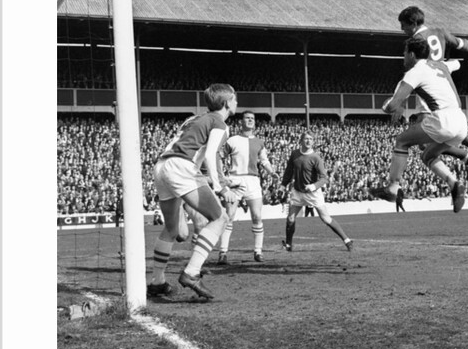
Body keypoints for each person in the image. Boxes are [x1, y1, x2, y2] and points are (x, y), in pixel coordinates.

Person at [147, 84, 239, 301]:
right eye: (235, 99)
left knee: (171, 229)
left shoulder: (193, 119)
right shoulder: (220, 123)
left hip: (162, 166)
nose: (237, 103)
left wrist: (215, 178)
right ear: (226, 103)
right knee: (220, 218)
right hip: (181, 167)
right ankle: (191, 272)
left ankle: (157, 282)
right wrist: (222, 187)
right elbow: (210, 155)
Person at [397, 6, 468, 175]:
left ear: (412, 24)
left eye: (403, 25)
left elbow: (412, 74)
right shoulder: (439, 31)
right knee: (455, 130)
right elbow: (461, 44)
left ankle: (465, 157)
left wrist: (400, 103)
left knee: (423, 141)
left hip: (427, 88)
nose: (402, 29)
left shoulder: (415, 41)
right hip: (444, 80)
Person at [370, 35, 468, 212]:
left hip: (443, 119)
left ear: (412, 55)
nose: (403, 57)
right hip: (461, 121)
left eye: (404, 53)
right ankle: (454, 184)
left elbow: (392, 105)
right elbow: (457, 63)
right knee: (427, 156)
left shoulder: (416, 71)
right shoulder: (440, 65)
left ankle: (392, 188)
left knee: (402, 141)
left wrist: (386, 106)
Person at [216, 110, 279, 264]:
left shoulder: (259, 142)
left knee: (257, 216)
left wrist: (271, 172)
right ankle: (223, 253)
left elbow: (264, 160)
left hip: (253, 181)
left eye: (252, 118)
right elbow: (219, 156)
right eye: (247, 118)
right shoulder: (232, 140)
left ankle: (258, 252)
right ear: (241, 122)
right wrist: (222, 177)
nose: (250, 120)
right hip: (235, 180)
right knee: (229, 216)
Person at [280, 131, 353, 253]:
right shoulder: (294, 154)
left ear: (313, 142)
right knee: (290, 218)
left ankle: (347, 241)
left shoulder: (316, 158)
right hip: (298, 192)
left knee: (326, 218)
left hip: (313, 193)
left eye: (311, 139)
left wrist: (313, 186)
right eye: (306, 139)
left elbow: (324, 178)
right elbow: (288, 171)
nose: (308, 141)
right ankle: (288, 244)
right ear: (301, 141)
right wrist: (283, 185)